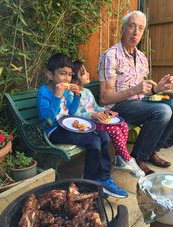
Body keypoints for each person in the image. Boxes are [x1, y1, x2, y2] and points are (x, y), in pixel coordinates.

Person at [98, 10, 173, 175]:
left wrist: (157, 88)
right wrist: (134, 90)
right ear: (123, 29)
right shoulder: (111, 56)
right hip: (117, 106)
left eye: (140, 28)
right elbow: (104, 98)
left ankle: (150, 151)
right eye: (132, 26)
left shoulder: (142, 57)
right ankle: (137, 157)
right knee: (163, 111)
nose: (136, 32)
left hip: (139, 103)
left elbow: (144, 93)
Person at [36, 53, 128, 198]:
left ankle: (104, 178)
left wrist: (77, 96)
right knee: (93, 142)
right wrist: (57, 97)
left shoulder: (66, 91)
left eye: (69, 74)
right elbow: (47, 118)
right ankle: (88, 185)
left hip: (68, 125)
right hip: (54, 131)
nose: (66, 78)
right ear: (50, 75)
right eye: (62, 74)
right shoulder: (44, 92)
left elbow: (71, 111)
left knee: (103, 135)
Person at [72, 60, 145, 178]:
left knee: (123, 125)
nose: (88, 73)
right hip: (88, 124)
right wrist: (92, 115)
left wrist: (105, 111)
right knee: (115, 130)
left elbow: (95, 107)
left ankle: (118, 158)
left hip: (97, 120)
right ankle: (129, 160)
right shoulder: (72, 95)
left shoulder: (87, 92)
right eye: (84, 73)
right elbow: (74, 114)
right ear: (75, 81)